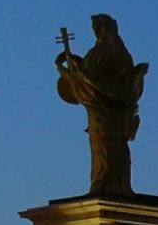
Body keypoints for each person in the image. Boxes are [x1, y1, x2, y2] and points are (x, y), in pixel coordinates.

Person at [55, 13, 148, 198]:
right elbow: (86, 80)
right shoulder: (96, 53)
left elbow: (123, 79)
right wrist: (67, 69)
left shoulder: (120, 53)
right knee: (103, 147)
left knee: (120, 152)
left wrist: (136, 76)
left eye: (105, 27)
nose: (102, 31)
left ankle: (120, 186)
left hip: (118, 108)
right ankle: (102, 183)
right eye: (99, 28)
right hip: (99, 108)